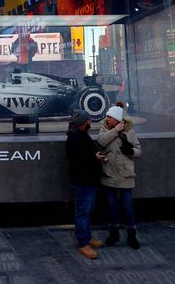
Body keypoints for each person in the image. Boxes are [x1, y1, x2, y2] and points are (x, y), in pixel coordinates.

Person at [98, 102, 142, 249]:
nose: (107, 119)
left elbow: (138, 150)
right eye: (107, 116)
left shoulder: (130, 131)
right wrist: (115, 131)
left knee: (127, 206)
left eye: (110, 117)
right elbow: (101, 141)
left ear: (117, 119)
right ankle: (114, 234)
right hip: (109, 173)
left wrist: (131, 151)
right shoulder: (104, 128)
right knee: (112, 205)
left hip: (125, 174)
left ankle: (132, 235)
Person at [65, 109, 105, 259]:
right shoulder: (76, 138)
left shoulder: (80, 135)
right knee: (83, 212)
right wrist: (95, 158)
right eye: (88, 120)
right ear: (83, 123)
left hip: (88, 181)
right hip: (83, 182)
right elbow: (79, 161)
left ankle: (86, 238)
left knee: (86, 211)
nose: (90, 121)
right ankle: (83, 244)